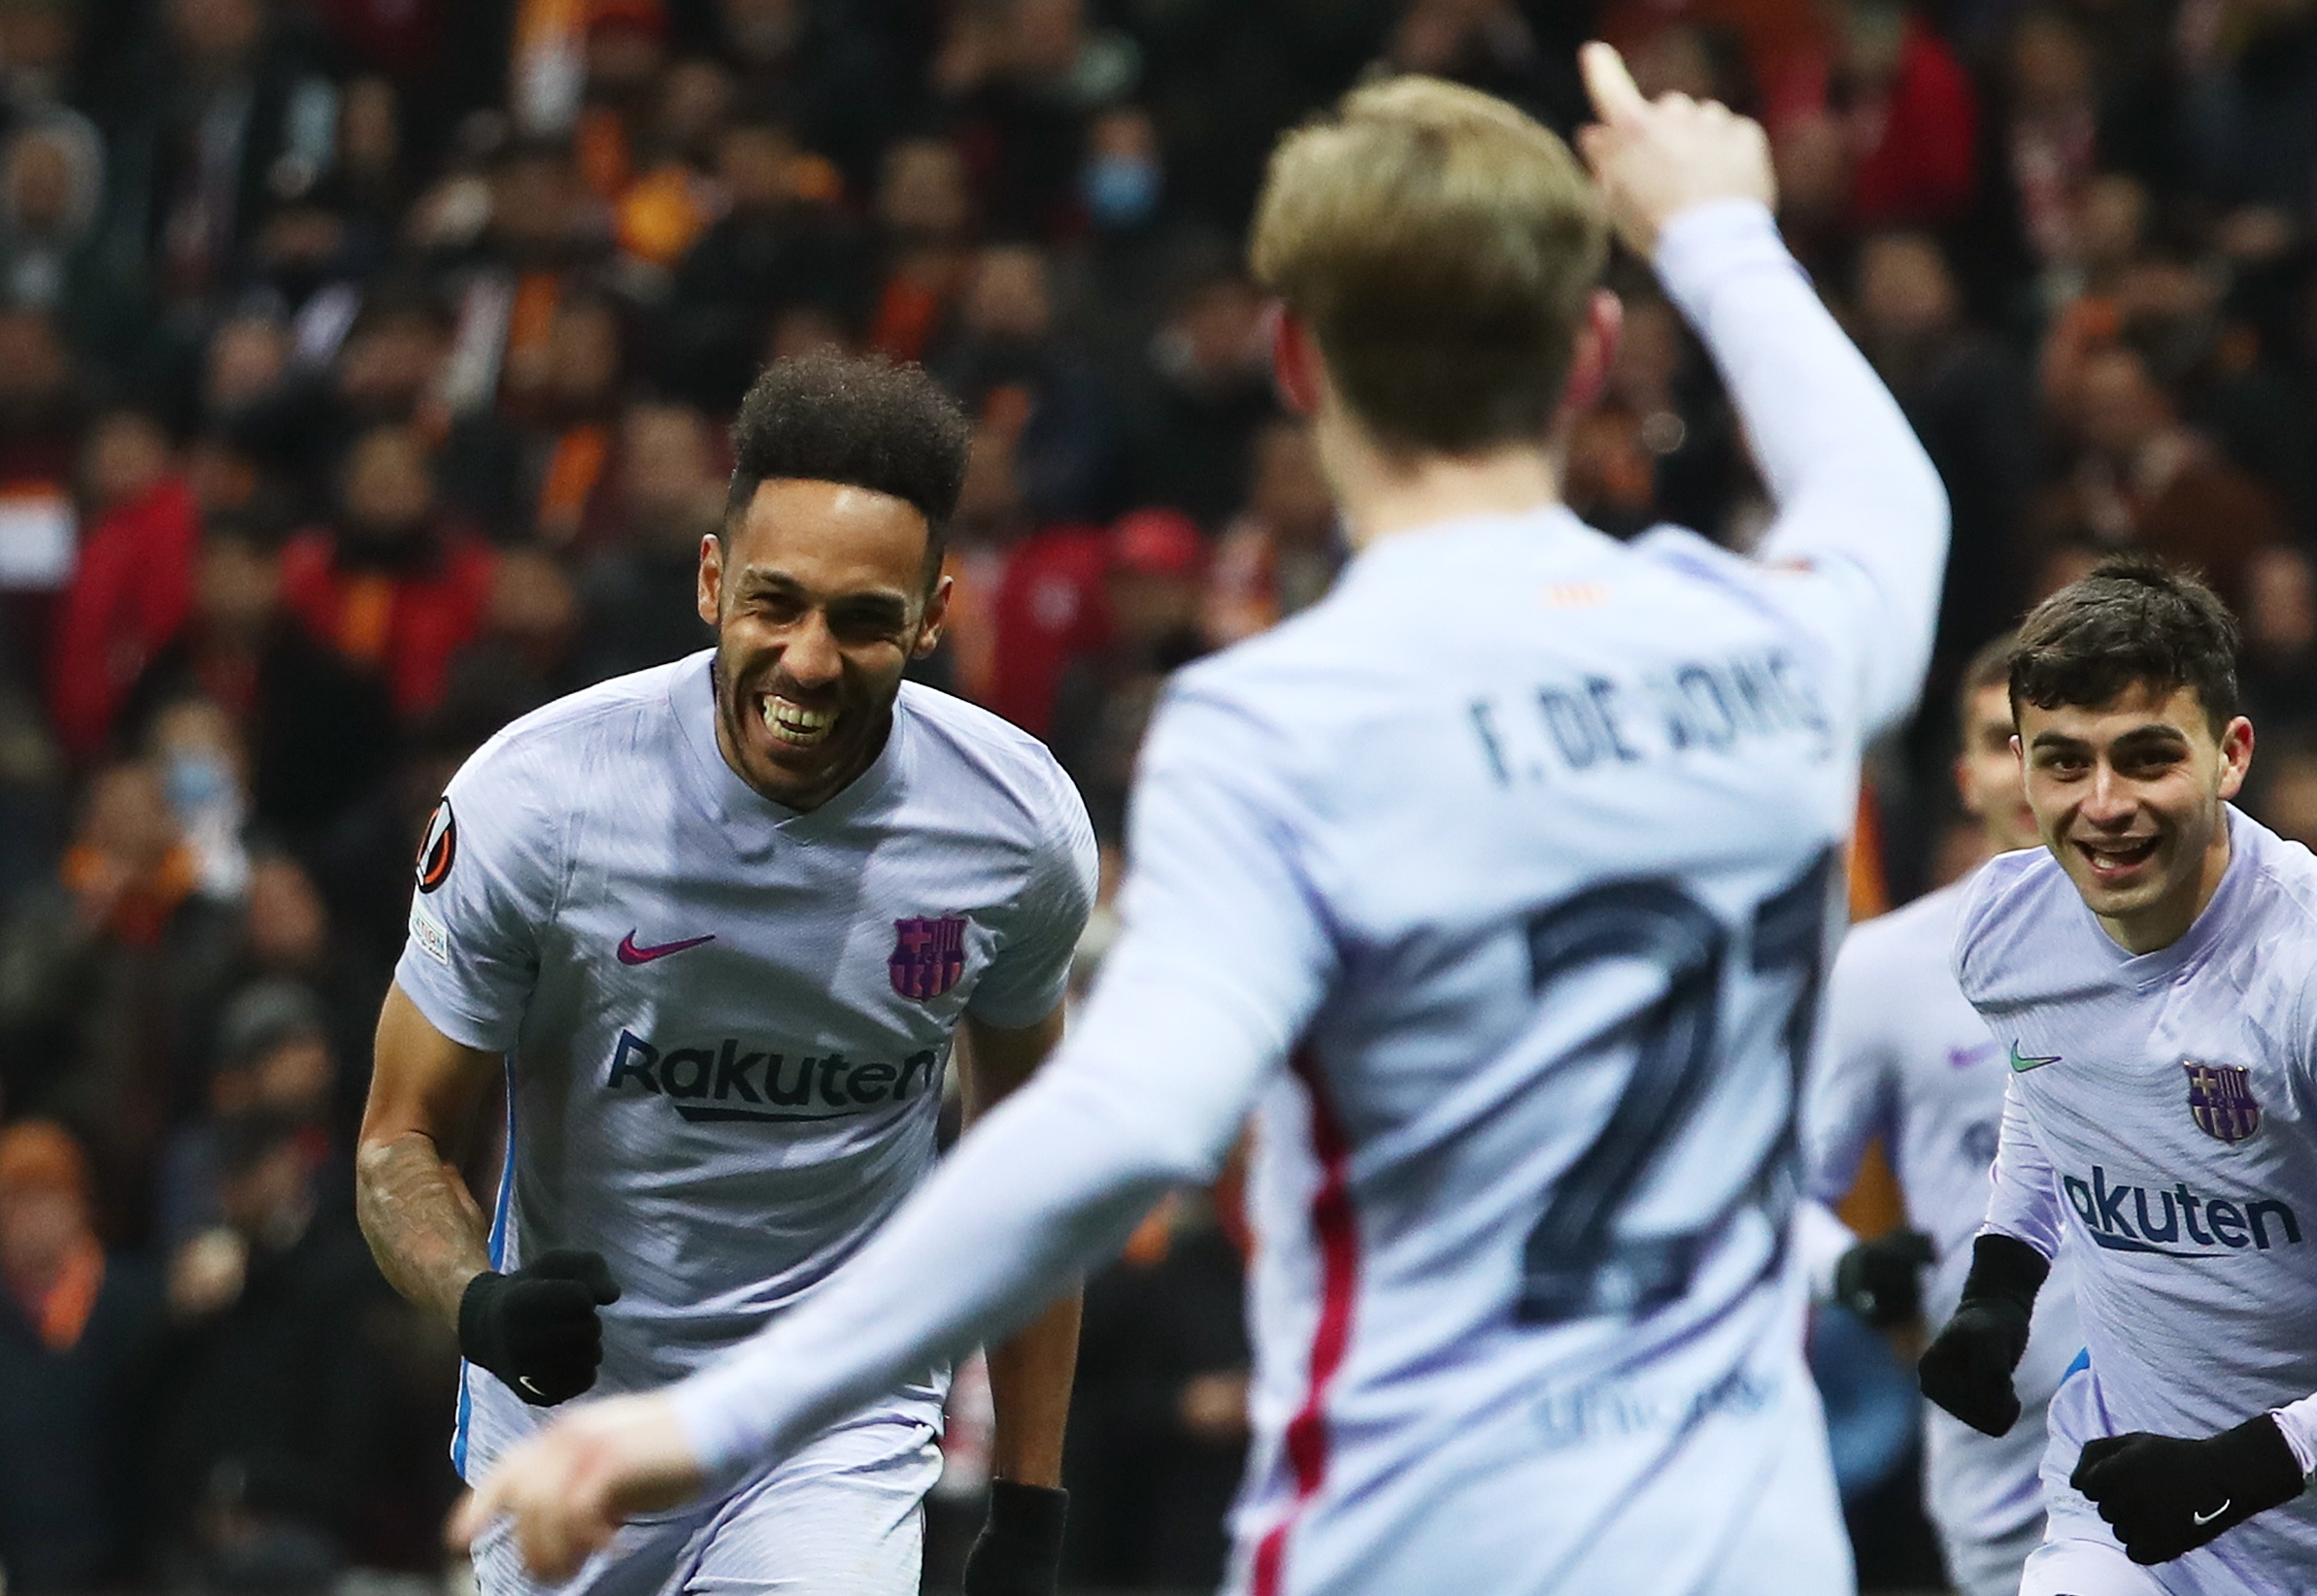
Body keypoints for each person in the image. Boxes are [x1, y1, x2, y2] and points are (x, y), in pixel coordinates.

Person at [456, 50, 1949, 1596]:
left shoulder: (1288, 722)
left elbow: (1117, 1126)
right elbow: (1889, 503)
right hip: (1750, 1546)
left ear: (1295, 363)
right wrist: (1720, 232)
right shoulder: (1777, 651)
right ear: (1589, 353)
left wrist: (713, 1415)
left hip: (1420, 1540)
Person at [354, 352, 1095, 1596]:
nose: (808, 661)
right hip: (571, 1426)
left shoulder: (1014, 831)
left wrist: (1028, 1506)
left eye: (863, 619)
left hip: (831, 1424)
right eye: (775, 603)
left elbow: (1037, 1170)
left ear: (932, 614)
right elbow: (397, 1142)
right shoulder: (537, 803)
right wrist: (478, 1303)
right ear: (711, 582)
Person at [1916, 556, 2317, 1594]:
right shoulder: (2005, 926)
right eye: (2063, 763)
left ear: (2228, 755)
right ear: (2019, 768)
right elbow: (2051, 1072)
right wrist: (2001, 1279)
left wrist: (2252, 1465)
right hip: (2122, 1517)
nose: (2101, 805)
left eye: (2145, 758)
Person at [1803, 632, 2081, 1596]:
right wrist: (1840, 1264)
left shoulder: (2225, 946)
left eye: (2051, 739)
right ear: (1964, 777)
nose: (2028, 767)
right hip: (2009, 1472)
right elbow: (1781, 1194)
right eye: (2000, 742)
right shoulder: (1882, 973)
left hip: (2217, 1435)